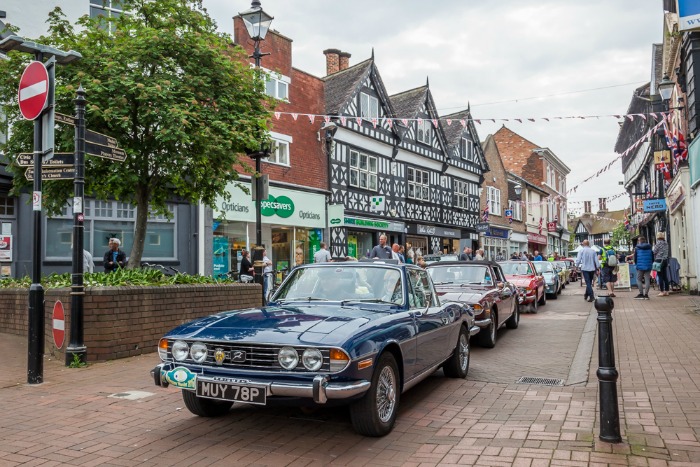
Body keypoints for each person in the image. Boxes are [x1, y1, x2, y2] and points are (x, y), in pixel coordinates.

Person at [653, 232, 670, 296]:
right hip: (665, 260)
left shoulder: (658, 243)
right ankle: (667, 291)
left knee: (660, 276)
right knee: (665, 276)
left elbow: (654, 251)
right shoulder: (666, 243)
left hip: (659, 260)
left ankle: (662, 291)